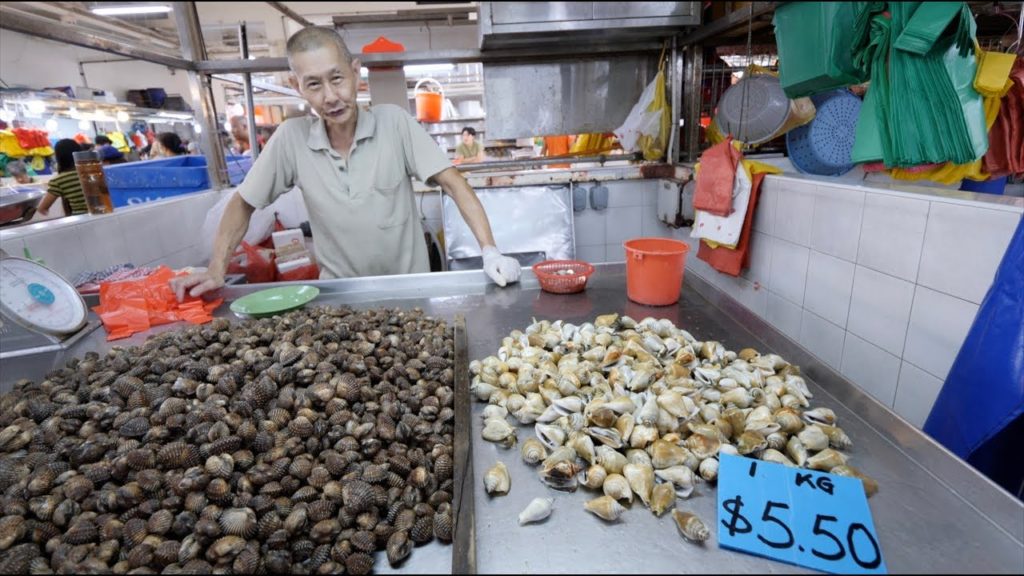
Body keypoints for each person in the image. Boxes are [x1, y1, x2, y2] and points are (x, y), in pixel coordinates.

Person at [170, 26, 520, 301]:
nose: (331, 96)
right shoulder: (291, 139)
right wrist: (217, 267)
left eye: (337, 78)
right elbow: (242, 203)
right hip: (342, 300)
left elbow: (454, 183)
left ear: (355, 73)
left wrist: (490, 252)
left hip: (413, 292)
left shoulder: (394, 123)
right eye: (314, 85)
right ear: (297, 87)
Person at [37, 139, 87, 216]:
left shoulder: (59, 180)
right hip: (103, 215)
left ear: (59, 158)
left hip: (80, 221)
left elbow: (42, 209)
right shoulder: (93, 171)